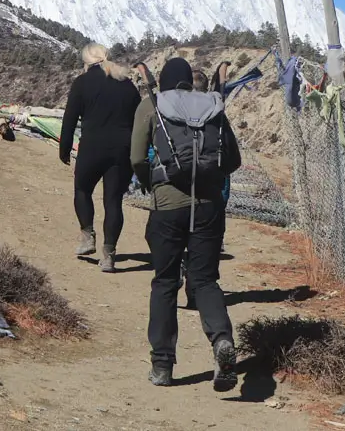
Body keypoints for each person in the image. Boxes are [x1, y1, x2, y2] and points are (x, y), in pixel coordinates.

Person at [132, 57, 242, 391]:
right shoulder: (213, 106)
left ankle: (162, 366)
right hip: (209, 207)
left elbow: (137, 157)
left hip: (167, 206)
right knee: (205, 281)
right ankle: (222, 340)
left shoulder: (152, 105)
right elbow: (233, 160)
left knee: (165, 282)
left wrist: (150, 183)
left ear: (164, 81)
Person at [61, 43, 141, 273]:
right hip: (122, 150)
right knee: (113, 201)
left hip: (92, 147)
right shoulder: (126, 83)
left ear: (86, 61)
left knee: (82, 190)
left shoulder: (82, 82)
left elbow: (69, 119)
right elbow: (138, 120)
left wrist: (64, 149)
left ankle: (87, 237)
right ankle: (109, 255)